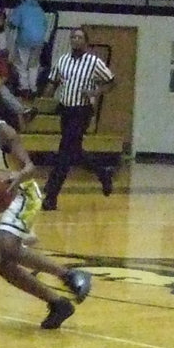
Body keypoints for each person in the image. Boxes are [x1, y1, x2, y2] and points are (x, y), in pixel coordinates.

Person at [0, 84, 93, 329]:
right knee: (2, 265)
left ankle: (70, 275)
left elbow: (29, 167)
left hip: (21, 194)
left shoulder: (3, 131)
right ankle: (57, 303)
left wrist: (17, 176)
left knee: (8, 247)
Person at [40, 28, 115, 211]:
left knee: (65, 152)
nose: (75, 40)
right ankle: (103, 172)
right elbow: (52, 82)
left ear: (86, 42)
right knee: (72, 150)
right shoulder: (63, 60)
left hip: (82, 110)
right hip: (65, 109)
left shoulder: (94, 62)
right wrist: (39, 105)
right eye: (73, 37)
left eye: (79, 37)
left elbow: (111, 82)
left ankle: (51, 195)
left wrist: (96, 92)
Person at [8, 0, 47, 97]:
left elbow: (13, 23)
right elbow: (45, 25)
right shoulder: (40, 10)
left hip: (24, 40)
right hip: (39, 41)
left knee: (22, 64)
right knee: (33, 65)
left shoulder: (21, 8)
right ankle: (33, 88)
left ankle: (24, 88)